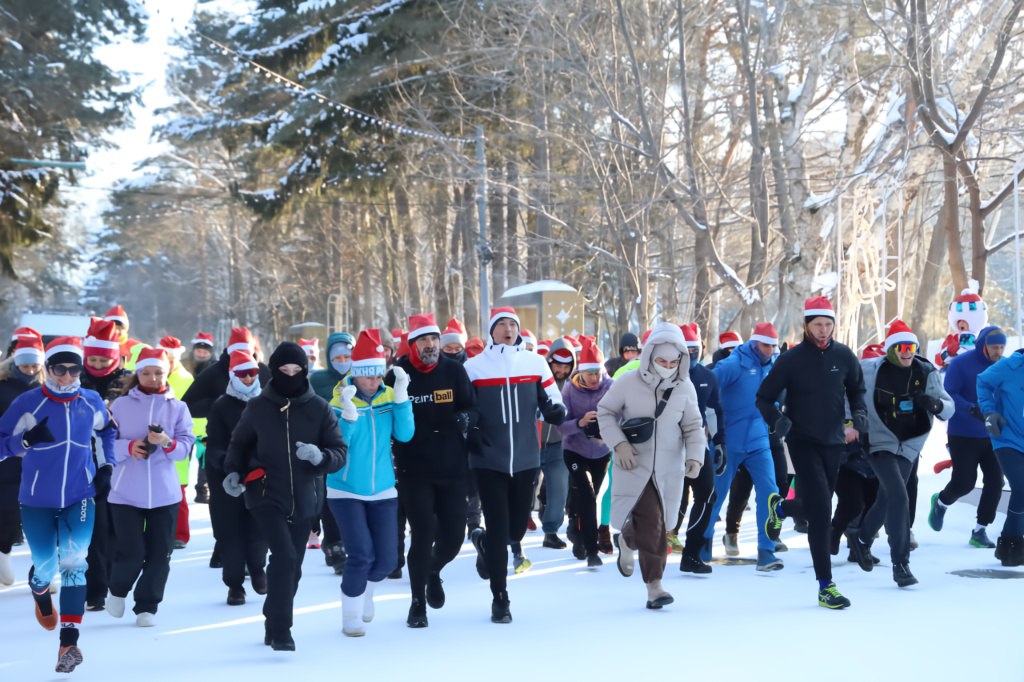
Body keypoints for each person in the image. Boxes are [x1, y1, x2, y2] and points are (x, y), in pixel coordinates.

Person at [0, 337, 116, 673]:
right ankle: (39, 591)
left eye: (73, 368)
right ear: (48, 369)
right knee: (47, 568)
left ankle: (69, 643)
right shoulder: (28, 403)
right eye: (59, 369)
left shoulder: (90, 400)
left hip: (81, 496)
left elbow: (107, 431)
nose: (67, 376)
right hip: (36, 500)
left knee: (75, 561)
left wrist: (107, 466)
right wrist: (23, 441)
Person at [222, 341, 346, 651]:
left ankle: (271, 617)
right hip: (266, 495)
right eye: (283, 370)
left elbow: (340, 451)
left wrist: (320, 456)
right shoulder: (258, 407)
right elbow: (238, 444)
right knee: (285, 557)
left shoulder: (319, 407)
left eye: (296, 370)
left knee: (294, 568)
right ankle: (281, 631)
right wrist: (233, 471)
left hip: (306, 498)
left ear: (304, 372)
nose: (290, 375)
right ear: (274, 372)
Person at [757, 296, 867, 610]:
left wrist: (858, 417)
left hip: (834, 441)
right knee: (820, 512)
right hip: (801, 440)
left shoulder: (844, 355)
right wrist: (778, 421)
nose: (823, 330)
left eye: (828, 324)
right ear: (806, 325)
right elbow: (763, 398)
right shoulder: (791, 359)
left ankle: (779, 510)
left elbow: (857, 390)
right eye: (817, 324)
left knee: (820, 505)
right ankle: (825, 586)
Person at [465, 307, 565, 623]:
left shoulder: (535, 363)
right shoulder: (474, 367)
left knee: (516, 529)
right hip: (488, 459)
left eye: (513, 324)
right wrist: (471, 426)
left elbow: (556, 404)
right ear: (491, 331)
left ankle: (482, 542)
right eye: (501, 325)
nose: (508, 329)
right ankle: (500, 597)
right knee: (497, 528)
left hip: (525, 459)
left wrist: (552, 409)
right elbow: (463, 409)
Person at [596, 321, 705, 609]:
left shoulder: (685, 387)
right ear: (649, 357)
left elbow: (694, 425)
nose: (667, 365)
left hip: (669, 469)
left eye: (673, 361)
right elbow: (605, 412)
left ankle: (628, 539)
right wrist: (618, 444)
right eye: (661, 360)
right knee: (654, 524)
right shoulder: (627, 382)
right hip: (633, 465)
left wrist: (695, 457)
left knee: (655, 524)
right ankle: (655, 586)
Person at [847, 321, 953, 587]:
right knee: (898, 494)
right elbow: (848, 394)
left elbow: (948, 406)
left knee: (886, 498)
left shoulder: (926, 371)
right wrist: (850, 422)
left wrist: (937, 404)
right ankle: (901, 564)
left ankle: (861, 539)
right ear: (890, 349)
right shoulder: (869, 369)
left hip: (909, 445)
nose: (907, 352)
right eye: (901, 347)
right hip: (879, 441)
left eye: (911, 347)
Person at [386, 314, 474, 628]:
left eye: (434, 339)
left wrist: (466, 419)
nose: (431, 345)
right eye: (424, 340)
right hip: (414, 469)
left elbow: (468, 405)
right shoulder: (398, 375)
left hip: (452, 467)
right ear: (412, 345)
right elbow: (386, 418)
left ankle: (433, 570)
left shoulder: (454, 370)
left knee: (454, 536)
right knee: (422, 535)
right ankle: (417, 603)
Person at [325, 328, 414, 635]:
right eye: (368, 376)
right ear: (356, 374)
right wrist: (347, 417)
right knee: (361, 554)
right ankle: (349, 617)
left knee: (388, 559)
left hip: (383, 489)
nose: (374, 382)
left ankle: (366, 593)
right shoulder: (339, 399)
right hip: (345, 489)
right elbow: (338, 446)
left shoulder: (389, 397)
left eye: (378, 376)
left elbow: (404, 435)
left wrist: (402, 400)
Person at [106, 348, 195, 627]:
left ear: (166, 372)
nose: (153, 378)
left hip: (164, 493)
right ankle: (117, 590)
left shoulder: (178, 407)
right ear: (138, 374)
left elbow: (185, 448)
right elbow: (104, 444)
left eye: (158, 372)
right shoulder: (119, 406)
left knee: (160, 554)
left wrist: (167, 442)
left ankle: (147, 606)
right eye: (146, 372)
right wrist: (129, 447)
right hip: (125, 492)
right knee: (131, 552)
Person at [703, 322, 784, 572]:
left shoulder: (774, 367)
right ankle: (702, 543)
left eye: (773, 346)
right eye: (765, 345)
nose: (769, 350)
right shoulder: (733, 364)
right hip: (729, 441)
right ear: (753, 342)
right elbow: (707, 389)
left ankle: (766, 551)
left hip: (759, 442)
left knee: (770, 493)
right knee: (716, 495)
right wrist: (708, 425)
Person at [929, 326, 1007, 547]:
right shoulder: (961, 364)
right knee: (964, 482)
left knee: (995, 481)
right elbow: (949, 393)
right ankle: (941, 502)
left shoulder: (1004, 365)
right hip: (962, 433)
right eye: (994, 347)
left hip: (993, 433)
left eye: (1002, 346)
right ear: (983, 345)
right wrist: (971, 408)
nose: (998, 351)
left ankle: (980, 530)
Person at [205, 349, 269, 605]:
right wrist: (231, 467)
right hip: (226, 477)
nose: (247, 378)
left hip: (259, 475)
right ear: (232, 376)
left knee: (259, 530)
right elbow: (215, 444)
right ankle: (234, 585)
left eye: (252, 373)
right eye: (242, 374)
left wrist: (260, 466)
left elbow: (270, 439)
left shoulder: (266, 402)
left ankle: (257, 569)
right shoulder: (221, 405)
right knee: (230, 533)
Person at [78, 319, 132, 612]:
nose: (98, 365)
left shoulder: (127, 383)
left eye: (104, 360)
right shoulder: (76, 381)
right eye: (93, 360)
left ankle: (114, 583)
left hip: (120, 466)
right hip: (82, 465)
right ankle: (94, 589)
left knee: (115, 531)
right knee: (93, 530)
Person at [559, 337, 613, 567]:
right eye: (589, 373)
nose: (594, 378)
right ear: (581, 372)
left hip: (601, 452)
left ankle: (575, 523)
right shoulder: (570, 389)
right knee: (588, 496)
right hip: (574, 450)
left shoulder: (611, 387)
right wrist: (580, 423)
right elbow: (561, 426)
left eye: (597, 373)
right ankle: (593, 551)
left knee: (591, 497)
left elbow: (621, 415)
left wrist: (605, 424)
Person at [308, 330, 355, 573]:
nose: (342, 362)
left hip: (358, 446)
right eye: (337, 358)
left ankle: (352, 540)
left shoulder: (361, 377)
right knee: (330, 495)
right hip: (327, 446)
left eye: (347, 356)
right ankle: (334, 544)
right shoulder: (317, 380)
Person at [0, 334, 45, 587]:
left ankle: (43, 568)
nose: (29, 370)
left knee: (40, 515)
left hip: (41, 461)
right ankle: (2, 554)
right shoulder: (3, 386)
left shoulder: (46, 388)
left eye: (34, 365)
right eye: (24, 364)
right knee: (6, 511)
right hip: (7, 460)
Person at [977, 345, 1024, 566]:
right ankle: (1011, 544)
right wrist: (989, 411)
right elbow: (983, 382)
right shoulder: (1010, 365)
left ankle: (1012, 539)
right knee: (1021, 487)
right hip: (1007, 437)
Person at [158, 336, 195, 551]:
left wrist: (197, 435)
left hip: (177, 438)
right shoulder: (148, 375)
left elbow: (192, 410)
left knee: (178, 487)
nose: (167, 361)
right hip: (153, 439)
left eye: (170, 357)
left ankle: (180, 533)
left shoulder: (185, 378)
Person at [538, 337, 575, 553]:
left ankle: (550, 531)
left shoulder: (573, 385)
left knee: (559, 488)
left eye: (565, 366)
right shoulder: (538, 380)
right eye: (556, 365)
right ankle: (513, 531)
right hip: (533, 442)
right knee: (525, 487)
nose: (560, 370)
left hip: (559, 444)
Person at [934, 287, 988, 370]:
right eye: (959, 321)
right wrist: (948, 352)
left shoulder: (983, 339)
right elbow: (938, 360)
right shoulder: (953, 339)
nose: (961, 324)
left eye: (964, 321)